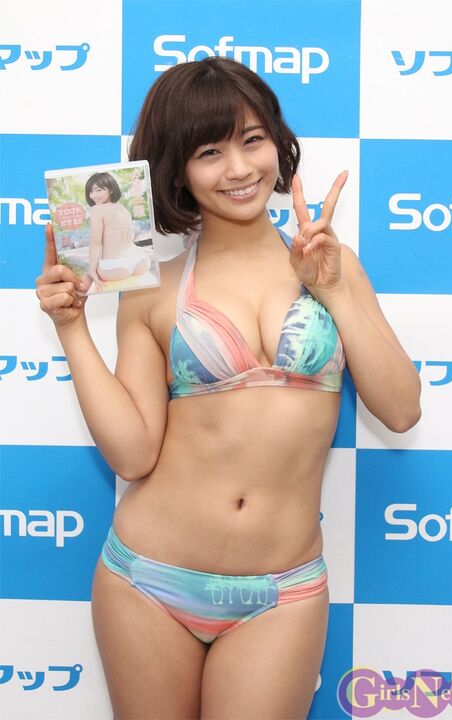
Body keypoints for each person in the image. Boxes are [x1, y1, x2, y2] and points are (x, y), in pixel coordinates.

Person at [36, 57, 421, 720]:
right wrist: (72, 329)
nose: (239, 169)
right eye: (209, 152)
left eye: (252, 140)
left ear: (277, 142)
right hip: (148, 581)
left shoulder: (333, 265)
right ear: (177, 170)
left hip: (281, 592)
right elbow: (133, 455)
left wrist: (331, 290)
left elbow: (402, 409)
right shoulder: (150, 287)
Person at [83, 171, 149, 290]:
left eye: (98, 190)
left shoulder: (97, 210)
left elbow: (95, 242)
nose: (93, 196)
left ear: (111, 189)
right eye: (91, 192)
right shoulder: (123, 209)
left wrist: (92, 270)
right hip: (140, 260)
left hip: (114, 267)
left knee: (85, 280)